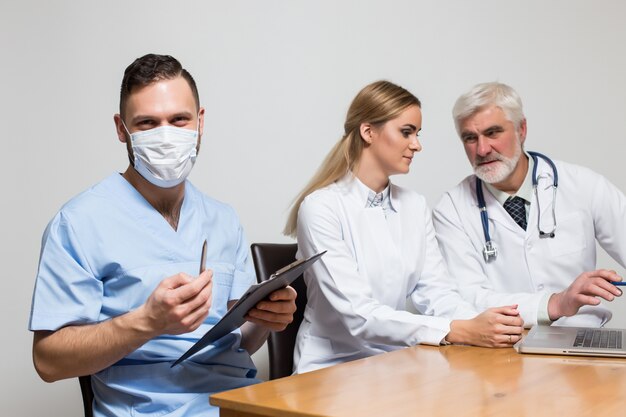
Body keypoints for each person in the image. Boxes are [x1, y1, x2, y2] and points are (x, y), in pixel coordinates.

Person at [29, 53, 297, 417]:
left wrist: (265, 321)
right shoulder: (79, 223)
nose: (166, 135)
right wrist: (147, 322)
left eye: (179, 119)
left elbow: (238, 344)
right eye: (147, 123)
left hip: (238, 405)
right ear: (121, 129)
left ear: (200, 122)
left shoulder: (222, 218)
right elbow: (48, 362)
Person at [283, 80, 524, 374]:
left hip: (393, 364)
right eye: (406, 132)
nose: (417, 145)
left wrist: (488, 325)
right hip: (330, 369)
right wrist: (458, 330)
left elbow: (437, 294)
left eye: (417, 134)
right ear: (368, 131)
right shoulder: (320, 208)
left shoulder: (414, 205)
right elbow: (359, 316)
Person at [433, 81, 624, 328]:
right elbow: (465, 298)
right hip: (500, 348)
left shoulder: (583, 185)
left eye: (493, 133)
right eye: (470, 138)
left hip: (580, 342)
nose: (482, 149)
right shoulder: (451, 209)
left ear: (521, 129)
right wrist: (553, 303)